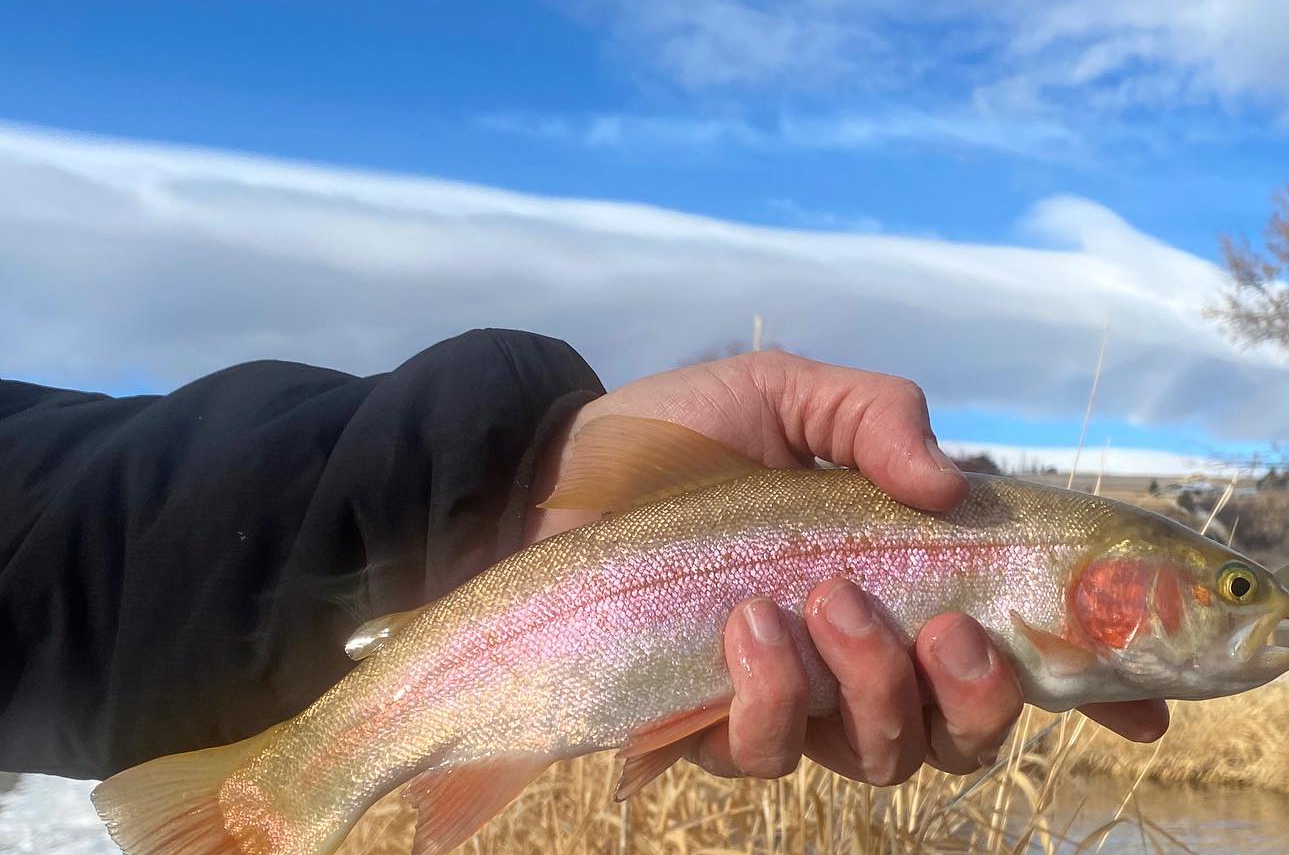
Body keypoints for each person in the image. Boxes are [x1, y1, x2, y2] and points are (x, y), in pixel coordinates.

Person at [0, 328, 1167, 783]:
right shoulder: (1058, 554)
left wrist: (532, 476)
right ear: (1115, 590)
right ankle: (297, 781)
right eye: (1228, 589)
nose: (1251, 613)